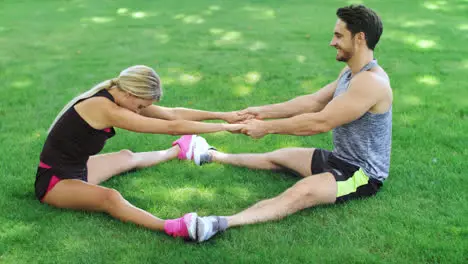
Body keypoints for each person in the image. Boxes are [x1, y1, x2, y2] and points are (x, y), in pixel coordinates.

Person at [194, 4, 392, 242]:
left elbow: (320, 122)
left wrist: (265, 128)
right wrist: (260, 112)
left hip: (361, 174)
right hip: (338, 158)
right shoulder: (350, 74)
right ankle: (214, 155)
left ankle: (218, 223)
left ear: (359, 38)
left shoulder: (372, 82)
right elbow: (313, 102)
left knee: (300, 193)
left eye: (339, 35)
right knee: (278, 157)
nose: (332, 42)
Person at [35, 65, 244, 240]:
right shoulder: (104, 108)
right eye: (140, 106)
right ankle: (172, 227)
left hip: (80, 168)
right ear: (130, 94)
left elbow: (172, 115)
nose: (138, 110)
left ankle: (180, 149)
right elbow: (172, 127)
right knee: (110, 197)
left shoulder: (121, 96)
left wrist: (224, 116)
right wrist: (226, 129)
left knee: (126, 156)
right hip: (55, 182)